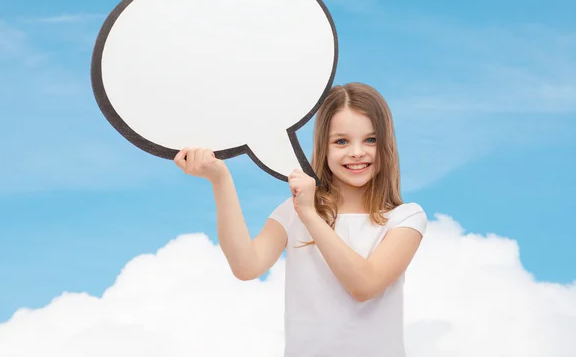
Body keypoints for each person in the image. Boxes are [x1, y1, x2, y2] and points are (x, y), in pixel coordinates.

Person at [174, 82, 427, 357]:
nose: (356, 151)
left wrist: (309, 214)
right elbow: (246, 266)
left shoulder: (405, 218)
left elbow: (364, 285)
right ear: (324, 146)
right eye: (341, 141)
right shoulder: (292, 210)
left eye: (370, 139)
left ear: (386, 145)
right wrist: (220, 178)